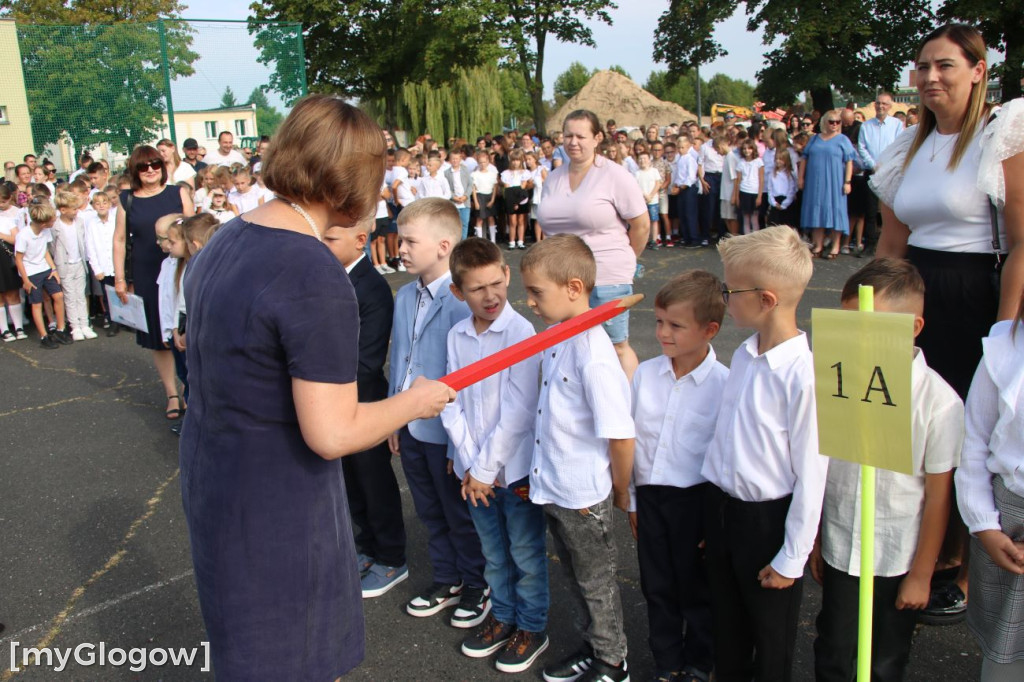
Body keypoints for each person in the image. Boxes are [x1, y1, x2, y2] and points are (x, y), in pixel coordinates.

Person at [179, 95, 455, 680]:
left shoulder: (226, 237)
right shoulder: (312, 271)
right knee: (289, 657)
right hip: (277, 502)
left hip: (215, 481)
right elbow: (333, 432)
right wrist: (416, 400)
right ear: (351, 182)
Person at [872, 23, 1024, 621]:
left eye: (946, 66)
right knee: (909, 419)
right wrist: (867, 313)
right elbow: (890, 240)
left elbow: (1020, 245)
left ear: (978, 69)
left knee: (966, 427)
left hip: (978, 295)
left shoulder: (1001, 135)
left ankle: (958, 565)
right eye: (923, 68)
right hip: (913, 294)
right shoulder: (904, 147)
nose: (931, 78)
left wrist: (1006, 333)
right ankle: (920, 546)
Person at [812, 259, 962, 681]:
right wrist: (820, 538)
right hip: (843, 545)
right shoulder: (836, 382)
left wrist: (921, 574)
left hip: (897, 556)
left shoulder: (939, 402)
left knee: (884, 660)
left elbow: (937, 496)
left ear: (913, 327)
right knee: (835, 649)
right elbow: (827, 466)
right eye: (848, 326)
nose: (856, 339)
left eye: (870, 326)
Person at [702, 225, 827, 682]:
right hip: (724, 512)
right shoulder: (745, 355)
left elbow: (812, 475)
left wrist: (791, 557)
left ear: (767, 299)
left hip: (766, 523)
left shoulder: (803, 377)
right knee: (728, 630)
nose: (724, 297)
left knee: (770, 639)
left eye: (729, 289)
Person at [515, 234, 634, 682]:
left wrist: (622, 491)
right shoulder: (556, 336)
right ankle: (594, 644)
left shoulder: (595, 353)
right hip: (555, 486)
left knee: (597, 582)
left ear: (574, 287)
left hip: (584, 493)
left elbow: (620, 435)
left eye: (536, 292)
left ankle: (613, 661)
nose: (529, 302)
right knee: (576, 578)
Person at [444, 238, 550, 674]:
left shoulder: (521, 333)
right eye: (476, 289)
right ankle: (502, 617)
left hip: (514, 471)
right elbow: (452, 400)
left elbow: (520, 411)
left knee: (525, 553)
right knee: (493, 552)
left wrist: (484, 469)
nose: (490, 296)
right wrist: (470, 464)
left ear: (507, 275)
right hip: (477, 476)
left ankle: (532, 626)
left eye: (496, 283)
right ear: (458, 292)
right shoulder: (457, 335)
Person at [386, 198, 488, 628]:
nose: (400, 249)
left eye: (410, 241)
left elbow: (468, 378)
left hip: (445, 432)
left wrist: (458, 441)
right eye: (400, 240)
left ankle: (477, 584)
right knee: (429, 510)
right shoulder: (406, 294)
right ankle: (447, 579)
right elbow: (400, 358)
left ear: (444, 245)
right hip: (409, 425)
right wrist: (393, 412)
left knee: (458, 514)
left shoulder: (461, 302)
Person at [629, 270, 727, 682]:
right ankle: (667, 663)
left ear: (710, 330)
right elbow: (633, 439)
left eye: (675, 325)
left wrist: (714, 520)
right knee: (657, 586)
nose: (663, 333)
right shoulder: (646, 374)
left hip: (696, 502)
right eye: (659, 322)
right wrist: (631, 499)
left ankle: (699, 663)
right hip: (651, 498)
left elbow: (724, 456)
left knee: (697, 590)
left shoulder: (725, 384)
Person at [320, 216, 408, 598]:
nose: (321, 243)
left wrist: (317, 376)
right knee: (349, 480)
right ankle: (367, 546)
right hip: (335, 401)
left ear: (359, 240)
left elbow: (367, 359)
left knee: (374, 481)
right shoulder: (327, 277)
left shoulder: (371, 288)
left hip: (365, 400)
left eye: (329, 238)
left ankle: (392, 557)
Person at [537, 109, 650, 380]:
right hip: (563, 277)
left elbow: (641, 225)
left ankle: (628, 408)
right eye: (568, 136)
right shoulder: (553, 178)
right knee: (568, 346)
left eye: (580, 136)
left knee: (615, 346)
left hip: (607, 275)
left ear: (597, 138)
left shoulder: (615, 175)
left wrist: (627, 258)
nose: (573, 142)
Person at [956, 293, 1024, 681]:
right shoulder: (1005, 349)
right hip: (1005, 525)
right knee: (1005, 658)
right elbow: (975, 440)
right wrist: (984, 524)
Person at [113, 145, 195, 419]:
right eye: (143, 167)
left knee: (186, 328)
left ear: (163, 165)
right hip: (147, 273)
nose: (150, 170)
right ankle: (172, 393)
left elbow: (196, 232)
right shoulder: (127, 200)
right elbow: (120, 240)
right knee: (158, 335)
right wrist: (121, 279)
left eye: (155, 164)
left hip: (182, 270)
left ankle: (191, 389)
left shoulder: (178, 193)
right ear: (134, 171)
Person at [14, 198, 71, 349]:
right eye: (52, 220)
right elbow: (18, 259)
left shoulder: (45, 231)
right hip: (31, 273)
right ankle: (44, 335)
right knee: (37, 303)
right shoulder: (24, 235)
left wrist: (53, 269)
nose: (54, 221)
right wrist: (25, 280)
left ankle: (60, 329)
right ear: (44, 223)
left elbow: (44, 251)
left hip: (45, 269)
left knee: (58, 296)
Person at [799, 110, 856, 259]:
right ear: (825, 122)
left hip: (835, 181)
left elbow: (849, 161)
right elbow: (804, 158)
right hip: (814, 182)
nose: (835, 125)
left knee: (836, 209)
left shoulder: (843, 139)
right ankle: (818, 245)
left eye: (838, 122)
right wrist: (801, 178)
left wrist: (847, 182)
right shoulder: (815, 139)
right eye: (832, 121)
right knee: (816, 210)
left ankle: (835, 245)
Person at [856, 93, 903, 253]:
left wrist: (888, 165)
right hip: (872, 171)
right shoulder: (866, 126)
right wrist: (873, 165)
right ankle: (870, 244)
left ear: (890, 106)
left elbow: (899, 146)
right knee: (870, 210)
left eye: (884, 104)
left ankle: (890, 244)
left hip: (890, 173)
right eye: (878, 103)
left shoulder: (896, 125)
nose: (880, 106)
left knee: (888, 210)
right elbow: (861, 147)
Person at [50, 191, 93, 340]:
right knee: (70, 296)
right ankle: (75, 327)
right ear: (63, 210)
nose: (77, 211)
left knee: (80, 295)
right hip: (64, 265)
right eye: (74, 209)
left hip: (79, 263)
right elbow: (52, 246)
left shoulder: (79, 222)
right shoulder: (55, 226)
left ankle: (85, 324)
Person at [0, 185, 26, 341]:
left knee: (12, 293)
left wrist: (1, 235)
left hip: (6, 260)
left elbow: (16, 239)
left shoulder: (6, 220)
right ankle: (4, 330)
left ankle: (19, 327)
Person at [672, 135, 701, 247]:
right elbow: (678, 175)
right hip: (681, 188)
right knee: (682, 214)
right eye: (679, 147)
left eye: (682, 147)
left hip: (688, 189)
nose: (680, 150)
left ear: (688, 146)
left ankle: (694, 238)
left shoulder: (690, 159)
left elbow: (690, 177)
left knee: (690, 214)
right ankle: (686, 237)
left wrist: (681, 187)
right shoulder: (680, 158)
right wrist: (676, 184)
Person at [500, 150, 531, 250]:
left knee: (521, 220)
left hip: (522, 198)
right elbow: (507, 188)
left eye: (517, 160)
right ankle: (512, 241)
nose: (515, 162)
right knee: (512, 221)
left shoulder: (525, 173)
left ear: (521, 161)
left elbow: (523, 187)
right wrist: (513, 202)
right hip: (510, 198)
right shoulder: (506, 173)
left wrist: (518, 202)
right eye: (513, 160)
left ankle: (521, 241)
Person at [733, 140, 764, 236]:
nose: (747, 151)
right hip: (744, 191)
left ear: (753, 149)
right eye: (744, 149)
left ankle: (756, 239)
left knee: (754, 218)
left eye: (749, 148)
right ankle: (747, 238)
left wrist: (759, 196)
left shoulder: (758, 162)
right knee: (746, 217)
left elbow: (761, 179)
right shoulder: (740, 163)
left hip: (754, 192)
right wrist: (737, 197)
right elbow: (738, 181)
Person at [471, 150, 499, 243]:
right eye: (480, 162)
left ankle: (493, 240)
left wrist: (492, 200)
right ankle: (480, 240)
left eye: (484, 162)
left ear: (488, 162)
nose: (482, 164)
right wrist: (476, 202)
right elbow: (474, 189)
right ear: (478, 163)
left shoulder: (492, 174)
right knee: (479, 219)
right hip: (480, 196)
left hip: (489, 195)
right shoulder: (474, 174)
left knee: (491, 218)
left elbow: (495, 187)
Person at [765, 149, 798, 228]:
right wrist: (773, 202)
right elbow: (770, 189)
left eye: (781, 159)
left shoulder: (789, 174)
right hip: (776, 201)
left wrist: (785, 204)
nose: (778, 161)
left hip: (786, 202)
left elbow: (791, 190)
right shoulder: (772, 174)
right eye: (776, 159)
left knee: (787, 225)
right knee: (774, 225)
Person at [444, 148, 472, 239]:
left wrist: (465, 196)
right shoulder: (446, 173)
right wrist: (454, 197)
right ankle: (455, 242)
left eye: (457, 158)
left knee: (464, 223)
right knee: (455, 224)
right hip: (454, 202)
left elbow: (470, 184)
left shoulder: (465, 170)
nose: (455, 161)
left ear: (460, 159)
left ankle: (463, 242)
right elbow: (446, 188)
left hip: (465, 202)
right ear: (449, 160)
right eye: (453, 159)